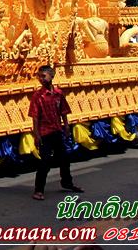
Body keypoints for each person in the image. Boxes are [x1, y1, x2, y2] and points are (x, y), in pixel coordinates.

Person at [29, 65, 83, 201]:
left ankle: (67, 182)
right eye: (39, 76)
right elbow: (35, 117)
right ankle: (38, 190)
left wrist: (66, 126)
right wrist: (36, 134)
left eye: (43, 76)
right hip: (45, 132)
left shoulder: (58, 93)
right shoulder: (37, 96)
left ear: (51, 76)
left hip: (57, 130)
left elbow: (63, 111)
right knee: (44, 162)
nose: (41, 79)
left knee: (64, 159)